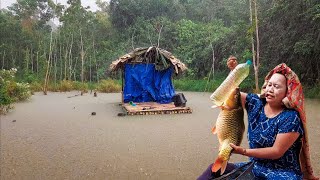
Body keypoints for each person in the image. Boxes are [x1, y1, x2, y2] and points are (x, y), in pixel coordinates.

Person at [198, 62, 318, 179]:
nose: (270, 89)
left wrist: (244, 151)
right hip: (254, 167)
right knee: (212, 171)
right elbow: (229, 94)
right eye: (269, 85)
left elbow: (276, 152)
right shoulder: (256, 103)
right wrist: (233, 73)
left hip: (281, 172)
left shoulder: (291, 117)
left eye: (276, 86)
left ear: (288, 92)